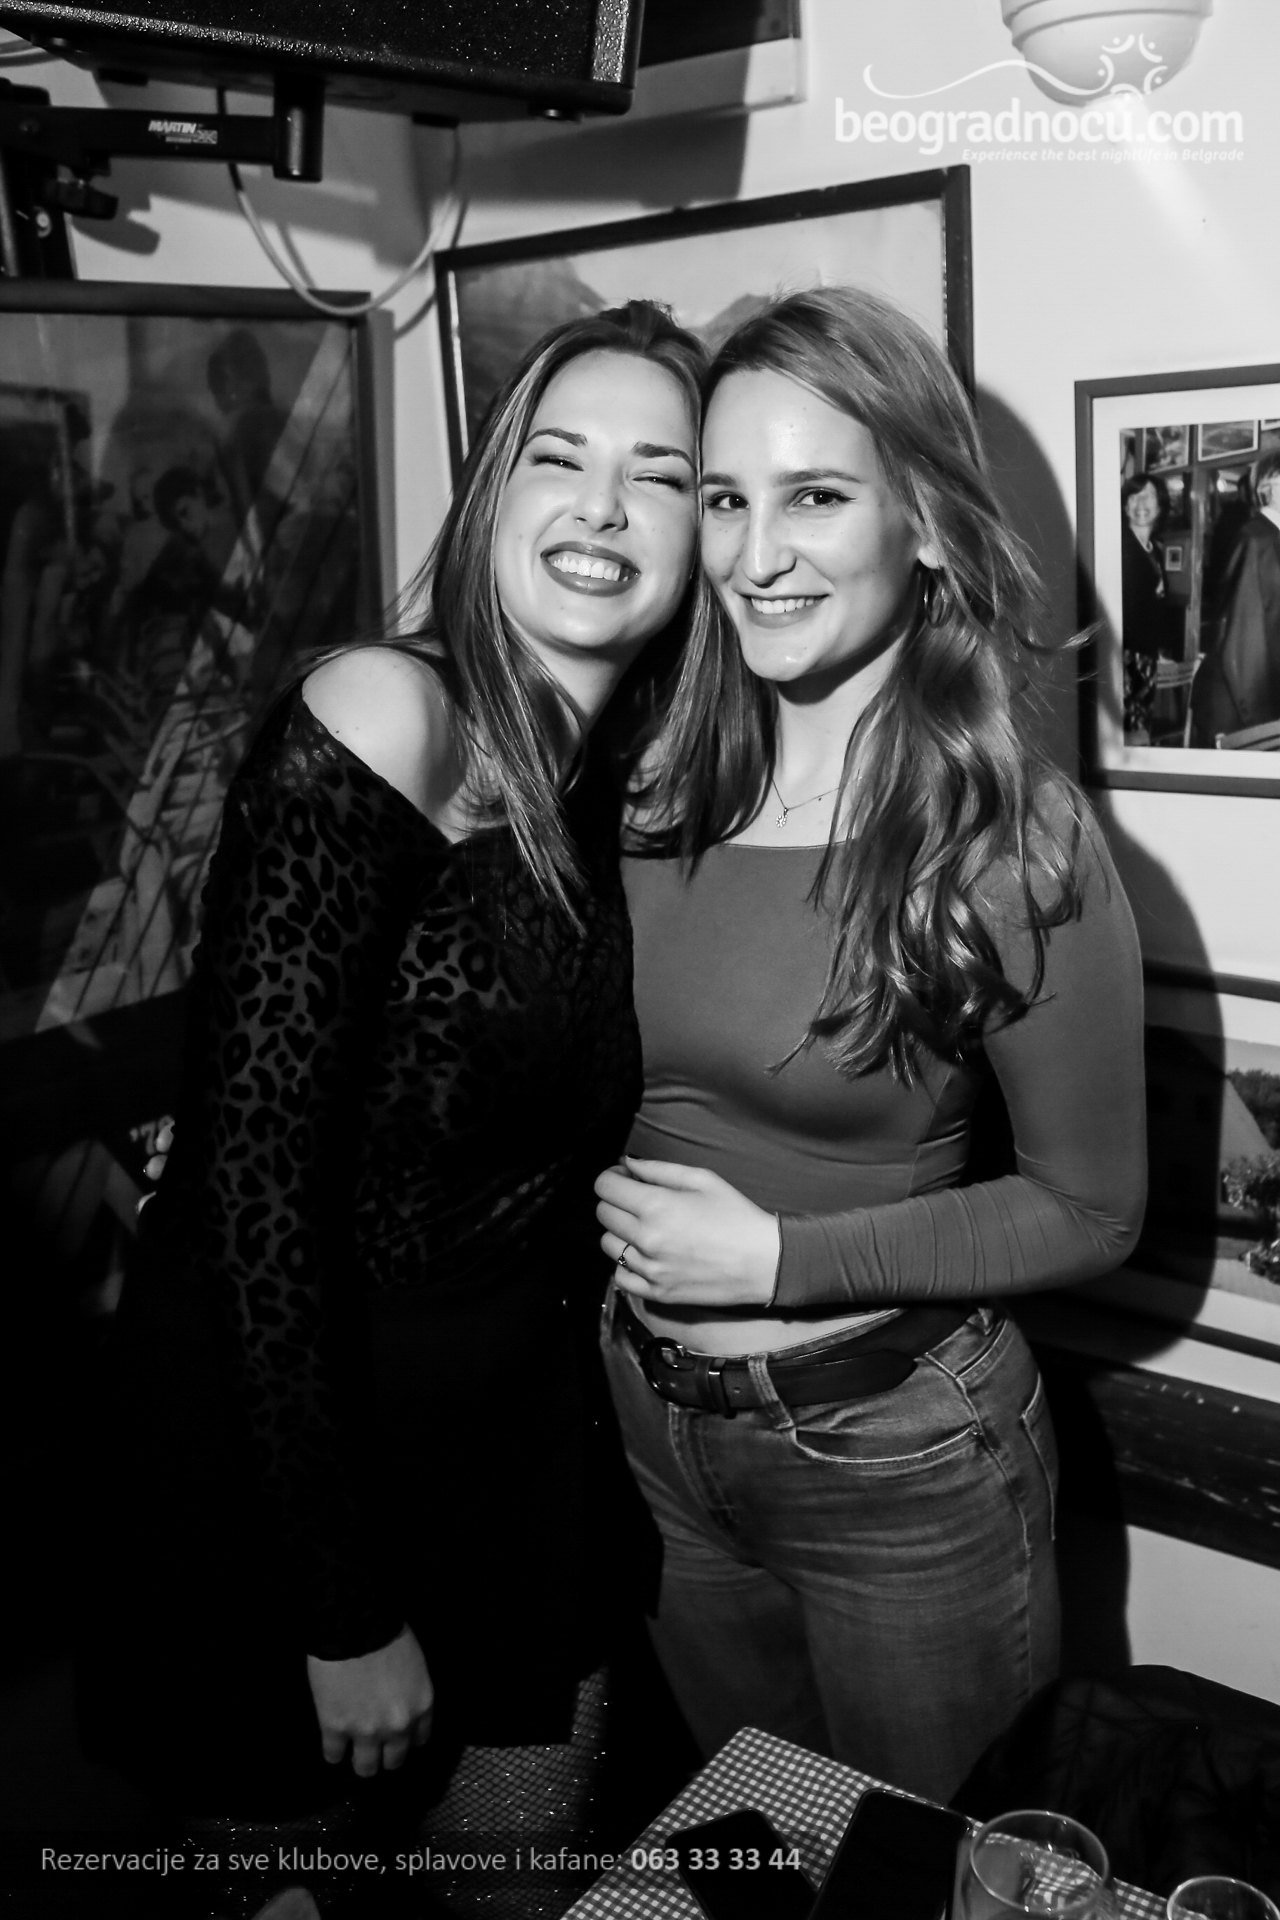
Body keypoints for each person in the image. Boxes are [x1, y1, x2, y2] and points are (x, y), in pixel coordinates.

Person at [75, 300, 704, 1916]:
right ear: (492, 491)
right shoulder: (386, 713)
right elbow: (247, 1199)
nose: (603, 507)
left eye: (659, 475)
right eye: (560, 457)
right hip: (289, 1503)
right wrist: (342, 1611)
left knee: (518, 1879)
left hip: (510, 1486)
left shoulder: (602, 771)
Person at [594, 287, 1147, 1805]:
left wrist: (782, 1261)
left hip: (893, 1454)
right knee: (764, 1853)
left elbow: (1093, 1209)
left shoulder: (1008, 841)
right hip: (651, 1430)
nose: (753, 554)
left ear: (924, 522)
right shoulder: (650, 789)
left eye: (815, 496)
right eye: (724, 498)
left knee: (925, 1870)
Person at [1190, 449, 1280, 746]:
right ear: (1269, 487)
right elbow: (1244, 639)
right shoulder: (1257, 540)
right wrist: (1261, 728)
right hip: (1240, 711)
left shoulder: (1269, 538)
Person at [1119, 471, 1179, 739]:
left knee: (1141, 731)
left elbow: (1154, 608)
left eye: (1149, 495)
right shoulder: (1120, 547)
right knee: (1131, 735)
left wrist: (1160, 651)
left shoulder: (1154, 549)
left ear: (1161, 505)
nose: (1141, 502)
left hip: (1146, 656)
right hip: (1126, 659)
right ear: (1125, 506)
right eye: (1134, 495)